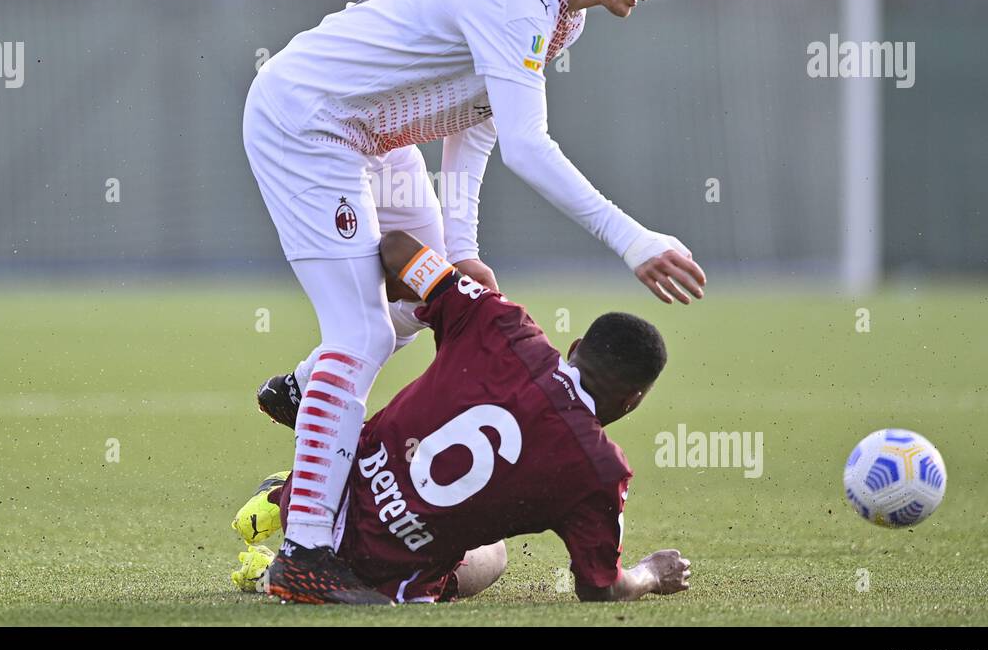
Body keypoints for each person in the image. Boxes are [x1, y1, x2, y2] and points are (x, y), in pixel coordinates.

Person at [243, 0, 707, 603]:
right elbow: (529, 144)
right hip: (310, 120)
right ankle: (303, 556)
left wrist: (463, 251)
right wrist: (634, 240)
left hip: (372, 136)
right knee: (358, 337)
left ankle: (307, 395)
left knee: (430, 287)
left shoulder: (563, 15)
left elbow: (481, 127)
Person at [234, 231, 692, 605]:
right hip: (370, 580)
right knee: (493, 557)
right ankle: (268, 569)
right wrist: (651, 573)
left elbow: (394, 247)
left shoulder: (505, 324)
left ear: (575, 350)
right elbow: (601, 589)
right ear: (632, 401)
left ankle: (287, 494)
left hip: (320, 499)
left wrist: (451, 284)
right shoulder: (600, 470)